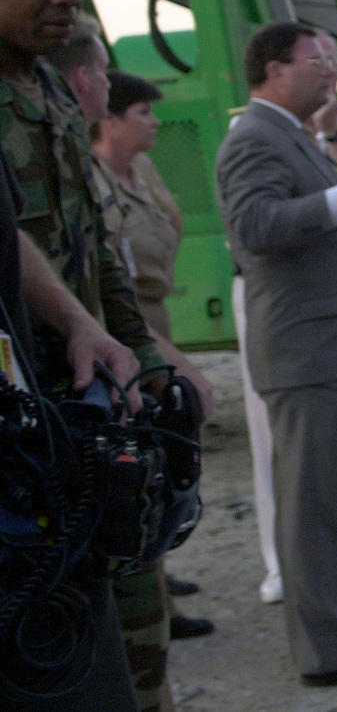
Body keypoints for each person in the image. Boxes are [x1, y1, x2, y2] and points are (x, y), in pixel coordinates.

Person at [0, 0, 183, 712]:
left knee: (118, 611)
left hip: (82, 410)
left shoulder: (45, 88)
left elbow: (96, 242)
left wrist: (142, 350)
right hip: (21, 428)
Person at [215, 21, 337, 687]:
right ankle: (329, 651)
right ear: (274, 69)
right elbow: (253, 227)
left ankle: (333, 621)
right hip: (307, 349)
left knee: (327, 501)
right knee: (313, 508)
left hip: (328, 346)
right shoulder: (255, 138)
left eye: (332, 59)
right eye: (316, 60)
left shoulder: (295, 132)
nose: (331, 70)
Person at [74, 64, 219, 646]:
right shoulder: (86, 173)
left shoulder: (144, 171)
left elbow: (170, 226)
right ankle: (146, 593)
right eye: (143, 113)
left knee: (162, 462)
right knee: (134, 464)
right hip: (122, 326)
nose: (155, 123)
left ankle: (158, 580)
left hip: (152, 314)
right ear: (110, 119)